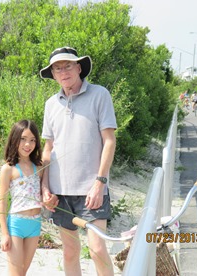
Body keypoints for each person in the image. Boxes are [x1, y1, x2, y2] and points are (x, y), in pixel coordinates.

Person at [39, 46, 117, 276]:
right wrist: (44, 187)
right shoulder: (51, 104)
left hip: (92, 189)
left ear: (79, 68)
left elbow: (109, 141)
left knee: (97, 250)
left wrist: (99, 183)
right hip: (60, 192)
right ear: (53, 74)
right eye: (57, 68)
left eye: (67, 66)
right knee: (70, 252)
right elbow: (48, 149)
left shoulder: (100, 94)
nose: (63, 72)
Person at [0, 119, 43, 275]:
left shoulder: (39, 167)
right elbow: (2, 203)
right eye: (23, 139)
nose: (27, 144)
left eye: (32, 140)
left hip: (35, 224)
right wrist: (5, 234)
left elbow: (44, 194)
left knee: (23, 272)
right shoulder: (8, 169)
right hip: (16, 224)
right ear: (15, 139)